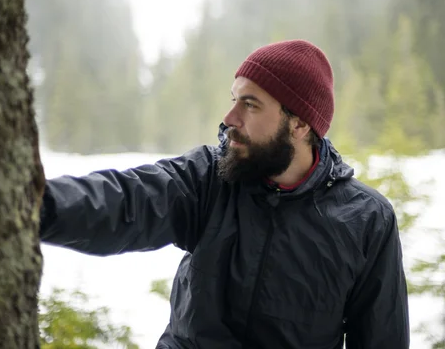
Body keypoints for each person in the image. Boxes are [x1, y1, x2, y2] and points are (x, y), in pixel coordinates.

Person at [40, 39, 410, 349]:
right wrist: (36, 207)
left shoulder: (366, 220)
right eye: (234, 99)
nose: (230, 117)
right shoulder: (210, 178)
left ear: (299, 124)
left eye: (249, 104)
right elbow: (127, 200)